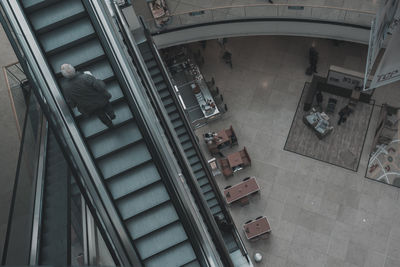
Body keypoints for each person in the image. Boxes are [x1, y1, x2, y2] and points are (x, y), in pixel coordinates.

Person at [60, 64, 116, 128]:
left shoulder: (66, 88)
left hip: (89, 107)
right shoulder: (86, 77)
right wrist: (95, 79)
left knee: (100, 114)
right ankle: (111, 114)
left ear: (64, 75)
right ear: (74, 69)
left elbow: (72, 104)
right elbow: (100, 87)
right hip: (101, 99)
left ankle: (109, 124)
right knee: (107, 105)